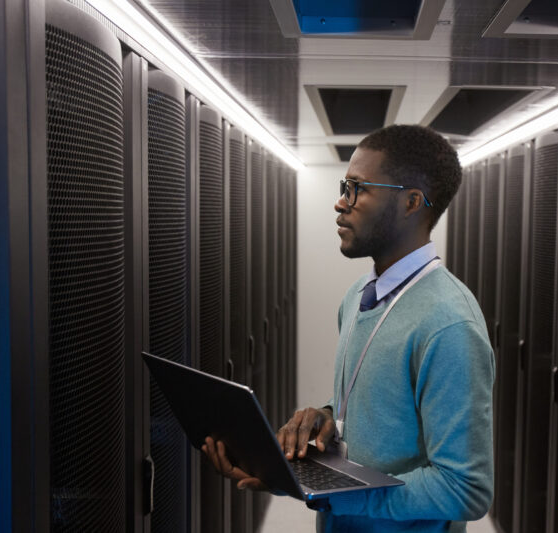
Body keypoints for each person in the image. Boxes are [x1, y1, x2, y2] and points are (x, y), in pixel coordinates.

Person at [203, 124, 495, 532]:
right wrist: (324, 421)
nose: (341, 203)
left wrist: (329, 494)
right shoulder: (360, 293)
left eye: (357, 188)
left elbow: (465, 488)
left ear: (412, 202)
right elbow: (379, 413)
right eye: (344, 186)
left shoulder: (449, 324)